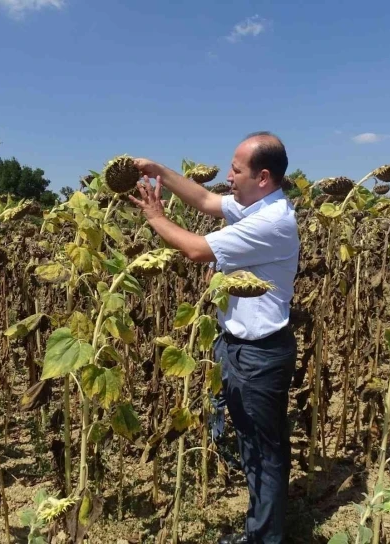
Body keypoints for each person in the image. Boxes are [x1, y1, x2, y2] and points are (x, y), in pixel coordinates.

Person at [129, 132, 300, 544]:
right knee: (255, 444)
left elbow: (195, 250)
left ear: (262, 176)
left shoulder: (271, 222)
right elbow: (206, 202)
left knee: (263, 453)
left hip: (258, 354)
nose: (228, 176)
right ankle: (263, 527)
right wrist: (159, 171)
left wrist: (155, 217)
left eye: (236, 170)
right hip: (239, 346)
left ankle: (264, 539)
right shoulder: (254, 205)